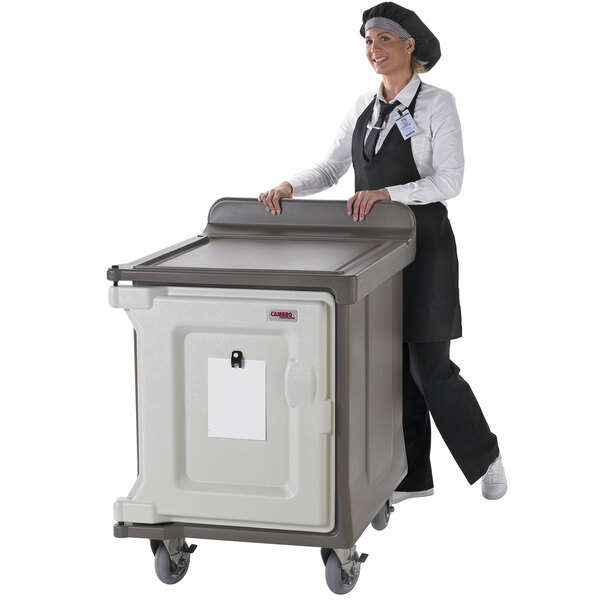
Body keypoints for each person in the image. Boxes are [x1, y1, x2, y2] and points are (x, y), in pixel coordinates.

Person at [259, 2, 507, 501]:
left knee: (430, 368)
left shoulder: (438, 103)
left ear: (409, 45)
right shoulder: (361, 108)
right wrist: (289, 186)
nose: (373, 50)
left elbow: (450, 181)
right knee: (389, 368)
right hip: (373, 251)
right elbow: (331, 168)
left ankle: (486, 458)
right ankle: (412, 478)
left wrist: (388, 194)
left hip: (426, 247)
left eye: (383, 40)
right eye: (367, 42)